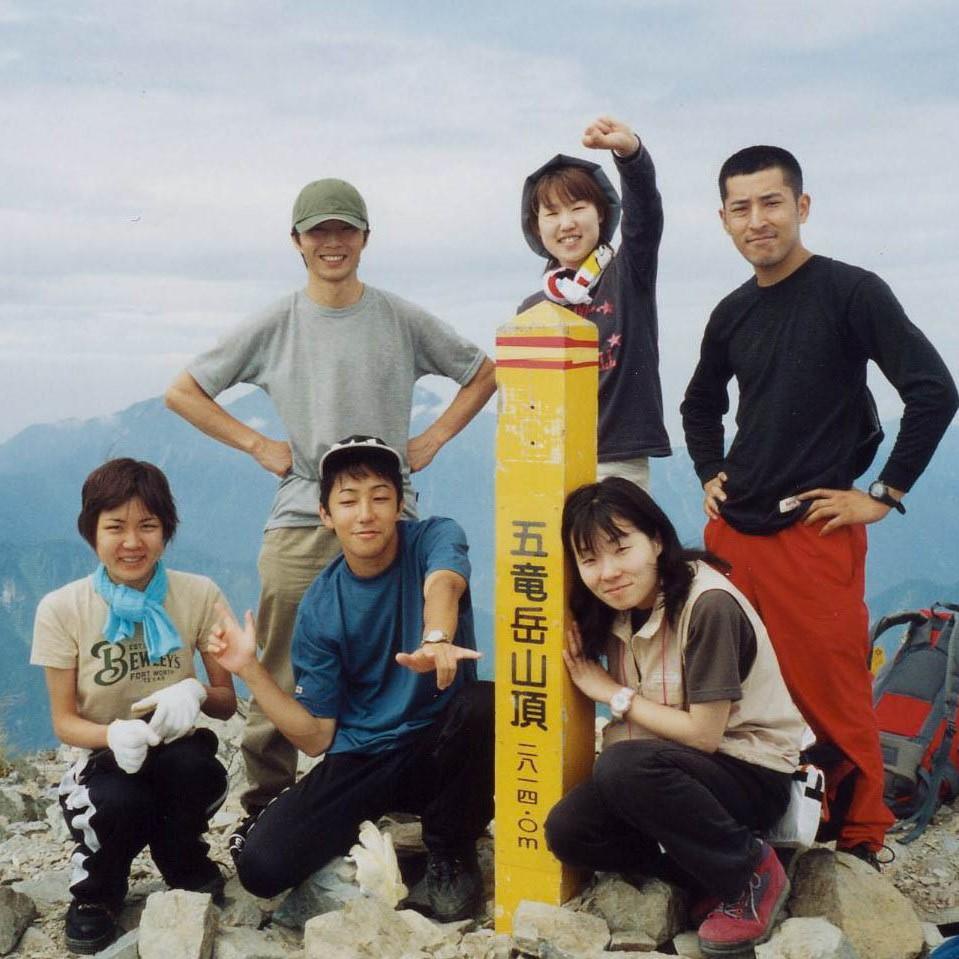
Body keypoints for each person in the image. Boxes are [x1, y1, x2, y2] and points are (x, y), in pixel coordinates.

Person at [164, 177, 496, 831]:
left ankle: (412, 789)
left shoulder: (399, 317)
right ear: (296, 242)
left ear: (366, 238)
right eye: (318, 231)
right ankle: (267, 799)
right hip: (300, 508)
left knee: (407, 654)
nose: (332, 242)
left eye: (345, 229)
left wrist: (430, 438)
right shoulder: (276, 322)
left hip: (385, 508)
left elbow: (482, 371)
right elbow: (184, 391)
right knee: (279, 656)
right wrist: (257, 444)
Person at [681, 146, 959, 862]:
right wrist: (709, 467)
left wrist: (882, 495)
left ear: (801, 206)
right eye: (739, 208)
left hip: (814, 526)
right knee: (732, 690)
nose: (756, 220)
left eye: (770, 202)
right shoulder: (731, 312)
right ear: (722, 220)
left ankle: (859, 836)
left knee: (831, 688)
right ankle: (767, 825)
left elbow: (933, 390)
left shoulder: (850, 292)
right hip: (731, 531)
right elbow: (699, 403)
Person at [207, 435, 494, 921]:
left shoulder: (433, 537)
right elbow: (317, 737)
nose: (366, 513)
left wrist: (438, 635)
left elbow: (444, 579)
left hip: (438, 742)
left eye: (380, 497)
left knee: (485, 704)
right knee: (261, 867)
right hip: (365, 758)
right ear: (325, 515)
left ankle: (450, 847)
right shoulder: (321, 607)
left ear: (400, 506)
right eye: (348, 500)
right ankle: (346, 822)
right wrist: (249, 670)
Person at [545, 478, 805, 956]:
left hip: (750, 772)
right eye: (589, 560)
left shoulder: (708, 605)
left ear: (657, 540)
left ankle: (752, 874)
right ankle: (703, 875)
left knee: (623, 767)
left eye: (621, 549)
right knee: (569, 830)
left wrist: (612, 693)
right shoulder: (616, 610)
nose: (608, 572)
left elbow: (704, 736)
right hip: (674, 777)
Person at [30, 459, 237, 955]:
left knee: (197, 771)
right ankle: (97, 892)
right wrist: (112, 735)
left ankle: (181, 856)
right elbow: (64, 722)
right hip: (103, 757)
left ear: (166, 530)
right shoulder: (63, 608)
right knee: (121, 803)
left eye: (148, 525)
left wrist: (194, 692)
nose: (132, 542)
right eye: (115, 526)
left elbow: (228, 703)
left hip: (177, 746)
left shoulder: (199, 594)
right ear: (91, 532)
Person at [518, 115, 671, 489]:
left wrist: (630, 154)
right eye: (551, 214)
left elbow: (645, 216)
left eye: (578, 207)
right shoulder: (532, 310)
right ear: (537, 227)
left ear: (601, 213)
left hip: (618, 464)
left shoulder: (627, 274)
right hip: (550, 464)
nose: (566, 223)